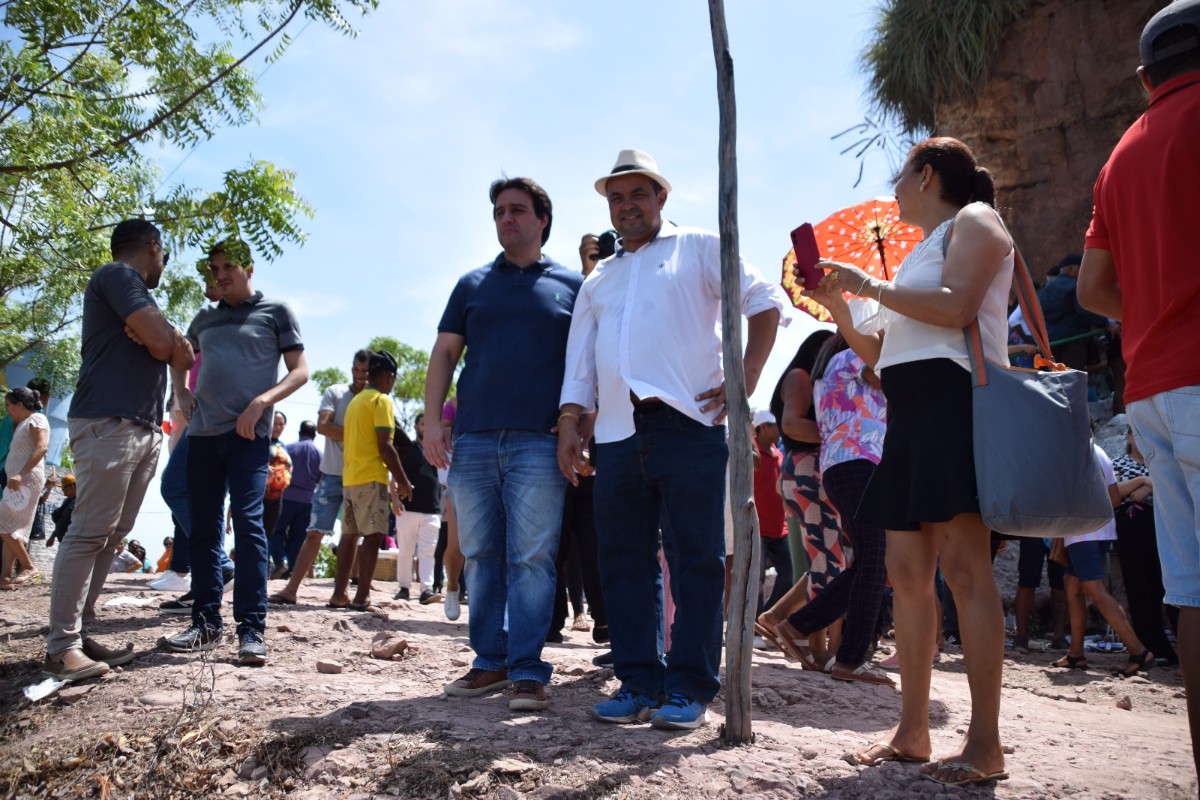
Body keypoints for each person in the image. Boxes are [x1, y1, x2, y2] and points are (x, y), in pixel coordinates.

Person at [558, 148, 787, 730]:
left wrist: (745, 381)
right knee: (624, 561)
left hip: (691, 423)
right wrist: (569, 422)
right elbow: (580, 361)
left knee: (697, 561)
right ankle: (637, 682)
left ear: (661, 197)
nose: (627, 205)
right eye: (616, 197)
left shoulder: (701, 246)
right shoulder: (599, 279)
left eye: (639, 194)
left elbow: (764, 303)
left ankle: (688, 689)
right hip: (615, 432)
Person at [812, 137, 1012, 785]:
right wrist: (842, 303)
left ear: (926, 176)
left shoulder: (975, 219)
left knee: (963, 567)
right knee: (906, 573)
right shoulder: (916, 253)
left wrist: (873, 283)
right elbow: (876, 354)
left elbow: (956, 308)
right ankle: (913, 733)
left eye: (901, 177)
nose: (894, 189)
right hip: (909, 419)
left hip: (955, 409)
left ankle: (985, 745)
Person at [1077, 0, 1200, 782]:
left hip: (1151, 387)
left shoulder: (1120, 154)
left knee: (1191, 591)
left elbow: (1093, 288)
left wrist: (1156, 308)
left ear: (1145, 75)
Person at [425, 176, 582, 713]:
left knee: (533, 558)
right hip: (471, 441)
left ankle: (528, 669)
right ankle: (489, 661)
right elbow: (444, 354)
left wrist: (579, 427)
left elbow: (586, 366)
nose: (506, 219)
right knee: (479, 554)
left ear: (542, 219)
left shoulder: (573, 285)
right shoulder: (471, 285)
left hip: (541, 442)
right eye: (498, 212)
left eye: (517, 210)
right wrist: (431, 421)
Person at [46, 219, 194, 680]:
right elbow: (164, 344)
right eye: (165, 258)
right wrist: (166, 342)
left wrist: (169, 343)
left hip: (140, 425)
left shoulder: (138, 294)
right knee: (90, 532)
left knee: (112, 535)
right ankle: (61, 645)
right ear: (154, 248)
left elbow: (182, 354)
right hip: (109, 421)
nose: (163, 267)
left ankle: (81, 634)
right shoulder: (118, 276)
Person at [161, 238, 307, 666]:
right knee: (204, 530)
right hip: (204, 435)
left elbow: (300, 371)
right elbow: (180, 354)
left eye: (227, 267)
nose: (220, 275)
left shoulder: (275, 312)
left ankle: (251, 630)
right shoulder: (204, 316)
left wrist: (262, 403)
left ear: (249, 268)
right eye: (214, 268)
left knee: (248, 525)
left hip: (248, 439)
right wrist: (180, 393)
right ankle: (205, 623)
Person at [268, 350, 371, 607]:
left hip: (359, 476)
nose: (359, 377)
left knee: (351, 536)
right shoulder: (335, 392)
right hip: (332, 475)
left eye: (365, 372)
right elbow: (324, 425)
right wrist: (360, 435)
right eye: (356, 371)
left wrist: (344, 433)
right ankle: (291, 589)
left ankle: (344, 594)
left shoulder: (373, 399)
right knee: (314, 533)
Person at [1051, 444, 1152, 677]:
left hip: (1082, 531)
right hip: (1099, 530)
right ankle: (1076, 653)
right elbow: (1114, 498)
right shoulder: (1098, 451)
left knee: (1094, 590)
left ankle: (1139, 652)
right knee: (1072, 585)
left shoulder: (1074, 453)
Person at [334, 350, 412, 612]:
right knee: (374, 535)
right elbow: (385, 445)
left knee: (348, 536)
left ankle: (339, 594)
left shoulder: (355, 402)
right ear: (388, 377)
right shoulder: (381, 401)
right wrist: (402, 480)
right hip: (371, 478)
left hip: (350, 478)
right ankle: (361, 597)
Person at [0, 387, 50, 589]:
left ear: (19, 404)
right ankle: (4, 578)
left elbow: (42, 447)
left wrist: (20, 473)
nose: (8, 410)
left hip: (25, 481)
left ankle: (28, 566)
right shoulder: (24, 423)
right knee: (12, 529)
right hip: (19, 480)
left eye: (9, 406)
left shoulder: (36, 420)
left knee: (4, 524)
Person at [394, 413, 442, 605]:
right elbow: (393, 475)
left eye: (428, 423)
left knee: (428, 552)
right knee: (405, 550)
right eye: (423, 423)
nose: (425, 427)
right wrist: (395, 499)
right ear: (415, 426)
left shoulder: (438, 449)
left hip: (432, 510)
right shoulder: (406, 449)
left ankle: (426, 589)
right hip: (408, 508)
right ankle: (404, 588)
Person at [751, 409, 792, 615]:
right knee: (755, 578)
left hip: (779, 528)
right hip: (757, 527)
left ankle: (766, 617)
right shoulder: (751, 452)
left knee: (790, 573)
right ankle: (755, 627)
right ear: (762, 427)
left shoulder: (778, 452)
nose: (779, 429)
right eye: (775, 425)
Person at [1037, 254, 1109, 371]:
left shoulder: (1044, 290)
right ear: (1073, 268)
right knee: (1073, 378)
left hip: (1050, 343)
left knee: (1057, 380)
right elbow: (1085, 309)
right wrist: (1106, 323)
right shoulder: (1074, 286)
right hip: (1073, 339)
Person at [272, 420, 321, 579]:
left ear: (300, 432)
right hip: (308, 500)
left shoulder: (288, 448)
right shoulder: (320, 454)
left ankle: (280, 560)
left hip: (287, 497)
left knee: (275, 530)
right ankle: (289, 572)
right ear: (314, 435)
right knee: (298, 536)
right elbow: (322, 478)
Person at [263, 411, 292, 574]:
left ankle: (265, 571)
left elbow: (288, 467)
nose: (278, 427)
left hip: (276, 496)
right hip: (259, 495)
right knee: (256, 532)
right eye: (275, 423)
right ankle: (258, 569)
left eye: (281, 424)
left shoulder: (283, 446)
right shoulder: (260, 441)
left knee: (269, 533)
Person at [44, 474, 76, 549]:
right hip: (63, 542)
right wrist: (53, 536)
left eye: (63, 488)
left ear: (72, 487)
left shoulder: (77, 503)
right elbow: (62, 520)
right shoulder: (66, 501)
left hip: (72, 544)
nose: (63, 491)